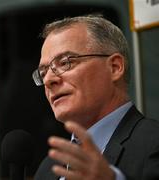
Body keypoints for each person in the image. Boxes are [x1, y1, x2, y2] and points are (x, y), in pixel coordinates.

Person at [32, 14, 159, 180]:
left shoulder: (154, 144)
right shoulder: (48, 168)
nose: (48, 80)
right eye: (43, 72)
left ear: (115, 67)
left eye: (65, 62)